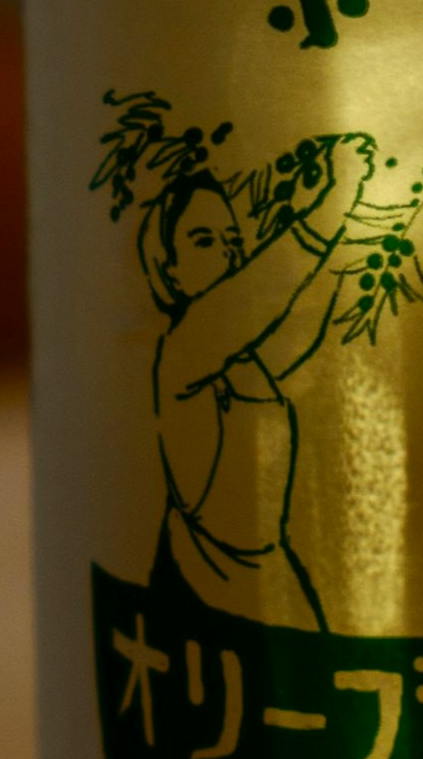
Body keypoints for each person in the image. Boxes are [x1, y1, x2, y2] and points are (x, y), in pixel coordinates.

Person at [143, 133, 373, 631]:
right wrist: (332, 202)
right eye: (203, 241)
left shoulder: (243, 361)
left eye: (233, 242)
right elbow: (260, 296)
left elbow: (299, 324)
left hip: (266, 571)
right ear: (169, 269)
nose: (226, 255)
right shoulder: (184, 351)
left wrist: (353, 224)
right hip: (203, 579)